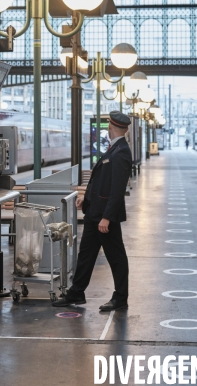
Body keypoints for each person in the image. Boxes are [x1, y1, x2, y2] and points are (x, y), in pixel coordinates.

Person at [53, 110, 132, 311]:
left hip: (105, 218)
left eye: (107, 126)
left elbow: (117, 190)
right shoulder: (114, 149)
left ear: (110, 127)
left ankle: (121, 297)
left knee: (116, 257)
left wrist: (107, 218)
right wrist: (85, 199)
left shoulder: (122, 151)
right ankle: (76, 293)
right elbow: (101, 182)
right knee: (86, 255)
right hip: (94, 213)